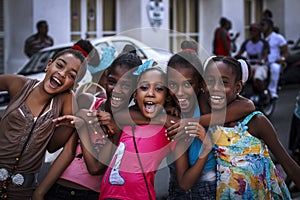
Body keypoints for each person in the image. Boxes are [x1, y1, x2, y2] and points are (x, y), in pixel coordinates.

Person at [32, 52, 142, 200]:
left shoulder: (127, 122)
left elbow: (95, 168)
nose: (116, 90)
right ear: (105, 79)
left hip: (89, 194)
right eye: (112, 82)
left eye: (126, 85)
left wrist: (83, 125)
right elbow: (68, 152)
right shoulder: (89, 103)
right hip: (57, 188)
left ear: (136, 90)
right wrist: (40, 192)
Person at [204, 56, 300, 199]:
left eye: (224, 82)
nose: (215, 88)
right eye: (210, 81)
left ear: (238, 87)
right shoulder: (206, 118)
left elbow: (289, 167)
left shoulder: (256, 122)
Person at [166, 51, 255, 199]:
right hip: (177, 184)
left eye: (188, 83)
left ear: (200, 82)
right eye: (173, 84)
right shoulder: (169, 103)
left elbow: (248, 106)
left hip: (207, 185)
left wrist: (191, 122)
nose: (180, 91)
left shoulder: (206, 101)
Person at [0, 48, 87, 199]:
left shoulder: (65, 103)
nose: (62, 74)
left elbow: (56, 148)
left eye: (71, 75)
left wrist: (40, 193)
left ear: (74, 84)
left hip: (22, 192)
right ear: (49, 64)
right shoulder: (19, 85)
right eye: (59, 66)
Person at [235, 23, 270, 92]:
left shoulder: (263, 43)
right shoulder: (247, 42)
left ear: (259, 32)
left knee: (258, 77)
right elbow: (239, 53)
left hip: (260, 65)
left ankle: (263, 93)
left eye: (254, 30)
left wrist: (262, 60)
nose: (252, 32)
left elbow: (265, 55)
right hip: (249, 64)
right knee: (240, 78)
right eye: (251, 30)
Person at [260, 18, 289, 100]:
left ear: (270, 26)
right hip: (262, 62)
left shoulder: (278, 37)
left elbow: (286, 51)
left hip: (274, 61)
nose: (261, 27)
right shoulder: (259, 37)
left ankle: (272, 91)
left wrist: (282, 59)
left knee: (275, 69)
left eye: (263, 25)